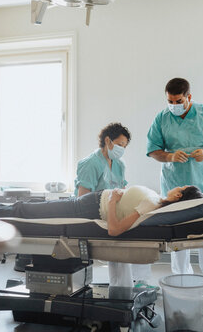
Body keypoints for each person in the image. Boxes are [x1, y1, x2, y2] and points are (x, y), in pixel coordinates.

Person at [146, 77, 203, 296]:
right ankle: (181, 278)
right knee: (177, 234)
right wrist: (170, 155)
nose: (173, 106)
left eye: (178, 100)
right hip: (175, 183)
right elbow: (154, 150)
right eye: (170, 101)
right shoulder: (162, 119)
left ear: (188, 97)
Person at [0, 185, 203, 237]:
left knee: (24, 210)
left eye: (179, 188)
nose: (175, 187)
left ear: (179, 195)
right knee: (25, 208)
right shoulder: (156, 200)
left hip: (90, 207)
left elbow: (115, 229)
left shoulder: (152, 206)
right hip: (91, 202)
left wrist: (114, 200)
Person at [73, 123, 151, 287]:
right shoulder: (90, 163)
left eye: (124, 146)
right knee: (121, 237)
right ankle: (122, 289)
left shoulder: (119, 164)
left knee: (140, 229)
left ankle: (139, 281)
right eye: (120, 145)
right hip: (94, 211)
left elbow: (122, 191)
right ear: (108, 141)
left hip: (112, 209)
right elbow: (82, 200)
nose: (122, 149)